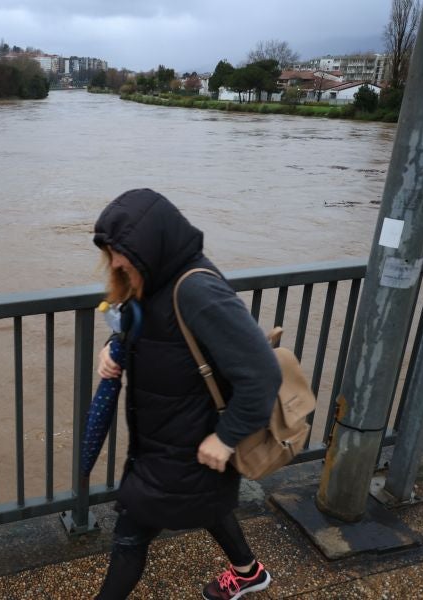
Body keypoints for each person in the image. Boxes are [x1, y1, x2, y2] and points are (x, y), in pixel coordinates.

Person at [92, 189, 282, 600]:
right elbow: (151, 337)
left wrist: (227, 437)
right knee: (209, 502)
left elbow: (263, 374)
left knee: (131, 532)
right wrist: (112, 350)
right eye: (111, 253)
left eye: (120, 252)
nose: (116, 262)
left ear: (150, 246)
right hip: (167, 438)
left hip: (186, 441)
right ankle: (249, 573)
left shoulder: (197, 291)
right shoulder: (154, 281)